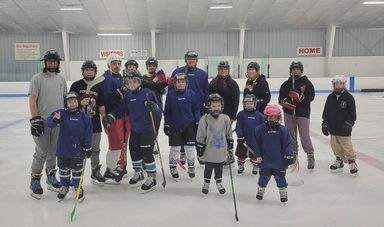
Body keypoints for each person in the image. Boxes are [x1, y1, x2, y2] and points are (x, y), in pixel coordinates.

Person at [102, 72, 162, 191]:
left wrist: (154, 108)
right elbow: (121, 110)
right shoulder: (128, 95)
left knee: (146, 152)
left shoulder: (148, 93)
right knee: (133, 150)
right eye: (129, 82)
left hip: (147, 129)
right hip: (135, 129)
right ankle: (138, 173)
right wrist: (111, 116)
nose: (132, 84)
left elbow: (159, 111)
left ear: (139, 82)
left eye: (134, 81)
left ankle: (151, 177)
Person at [28, 49, 67, 199]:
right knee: (41, 151)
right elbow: (32, 99)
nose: (52, 63)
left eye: (54, 61)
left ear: (57, 63)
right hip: (43, 122)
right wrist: (35, 118)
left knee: (54, 151)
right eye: (49, 61)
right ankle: (35, 180)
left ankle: (51, 177)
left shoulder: (61, 79)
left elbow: (65, 99)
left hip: (57, 122)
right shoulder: (37, 78)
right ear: (45, 63)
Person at [47, 92, 93, 200]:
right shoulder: (61, 113)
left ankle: (78, 188)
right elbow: (50, 123)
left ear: (78, 102)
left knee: (77, 172)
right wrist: (55, 120)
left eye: (74, 101)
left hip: (77, 150)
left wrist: (87, 145)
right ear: (66, 103)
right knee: (63, 170)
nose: (72, 104)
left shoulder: (84, 117)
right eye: (69, 102)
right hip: (63, 149)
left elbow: (88, 133)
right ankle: (64, 187)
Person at [70, 60, 106, 185]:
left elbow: (101, 104)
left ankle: (95, 171)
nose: (89, 72)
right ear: (83, 71)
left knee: (95, 149)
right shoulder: (76, 85)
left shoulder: (99, 86)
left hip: (94, 124)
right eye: (87, 70)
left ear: (95, 72)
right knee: (78, 150)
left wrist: (104, 117)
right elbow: (69, 104)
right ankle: (76, 173)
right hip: (78, 123)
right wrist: (80, 103)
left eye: (91, 70)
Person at [250, 104, 294, 203]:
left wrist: (289, 154)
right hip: (265, 160)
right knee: (264, 177)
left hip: (279, 161)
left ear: (279, 117)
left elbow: (287, 144)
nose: (273, 119)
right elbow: (256, 145)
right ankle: (261, 189)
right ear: (266, 117)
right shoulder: (260, 129)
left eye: (275, 117)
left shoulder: (283, 130)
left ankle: (283, 191)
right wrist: (257, 156)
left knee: (280, 177)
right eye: (271, 117)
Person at [172, 51, 209, 165]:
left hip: (197, 109)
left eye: (193, 58)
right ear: (185, 60)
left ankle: (199, 153)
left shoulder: (202, 74)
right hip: (182, 108)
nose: (191, 60)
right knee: (183, 130)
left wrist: (207, 105)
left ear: (197, 60)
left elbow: (206, 91)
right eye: (189, 58)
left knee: (198, 132)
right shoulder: (177, 72)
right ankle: (183, 152)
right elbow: (172, 90)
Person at [278, 61, 315, 170]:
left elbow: (311, 96)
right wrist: (288, 101)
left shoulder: (306, 83)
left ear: (301, 70)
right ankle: (292, 153)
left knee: (304, 135)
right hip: (289, 113)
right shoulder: (286, 84)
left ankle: (310, 154)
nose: (296, 71)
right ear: (291, 71)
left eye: (298, 69)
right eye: (294, 69)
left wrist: (300, 98)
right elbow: (280, 99)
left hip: (303, 113)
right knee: (290, 134)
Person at [100, 54, 131, 183]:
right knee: (115, 144)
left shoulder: (119, 76)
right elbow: (105, 99)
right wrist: (119, 92)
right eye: (114, 63)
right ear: (109, 65)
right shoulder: (106, 78)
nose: (117, 65)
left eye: (118, 63)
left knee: (122, 142)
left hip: (122, 115)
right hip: (112, 117)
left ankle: (120, 166)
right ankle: (111, 169)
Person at [164, 73, 200, 179]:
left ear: (186, 83)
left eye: (183, 82)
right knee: (175, 148)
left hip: (189, 125)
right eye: (178, 82)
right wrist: (166, 124)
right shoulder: (170, 95)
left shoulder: (191, 93)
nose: (180, 84)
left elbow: (196, 109)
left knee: (189, 148)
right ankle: (173, 166)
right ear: (175, 83)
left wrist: (197, 121)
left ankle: (191, 166)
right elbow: (167, 112)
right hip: (175, 126)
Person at [196, 93, 233, 195]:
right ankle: (206, 183)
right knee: (208, 167)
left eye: (218, 106)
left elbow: (229, 132)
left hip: (221, 150)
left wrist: (230, 142)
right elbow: (201, 134)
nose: (216, 108)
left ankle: (219, 182)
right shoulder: (205, 119)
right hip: (209, 150)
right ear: (209, 106)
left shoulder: (226, 118)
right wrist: (200, 145)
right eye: (213, 106)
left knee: (219, 166)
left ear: (221, 106)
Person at [321, 76, 358, 176]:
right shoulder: (330, 97)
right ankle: (339, 160)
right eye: (336, 84)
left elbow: (352, 113)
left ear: (343, 84)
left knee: (347, 146)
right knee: (335, 145)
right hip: (333, 128)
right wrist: (325, 123)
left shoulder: (349, 97)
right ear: (334, 85)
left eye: (340, 83)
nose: (338, 85)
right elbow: (326, 112)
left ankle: (352, 162)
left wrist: (349, 122)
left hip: (344, 128)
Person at [209, 61, 239, 167]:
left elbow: (236, 100)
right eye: (221, 69)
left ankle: (229, 156)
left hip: (227, 115)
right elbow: (209, 99)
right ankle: (218, 155)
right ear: (218, 70)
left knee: (227, 136)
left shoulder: (233, 84)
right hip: (215, 114)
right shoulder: (213, 83)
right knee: (216, 135)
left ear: (228, 70)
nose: (223, 71)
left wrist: (233, 116)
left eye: (225, 69)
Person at [142, 57, 168, 155]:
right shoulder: (143, 78)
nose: (151, 67)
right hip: (146, 105)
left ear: (156, 66)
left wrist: (163, 82)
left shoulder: (159, 77)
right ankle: (147, 143)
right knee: (147, 126)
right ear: (147, 66)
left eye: (153, 66)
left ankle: (153, 143)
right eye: (149, 66)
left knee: (155, 126)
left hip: (158, 105)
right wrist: (156, 79)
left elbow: (163, 91)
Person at [234, 94, 264, 175]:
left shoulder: (260, 116)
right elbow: (238, 125)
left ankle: (255, 166)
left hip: (255, 141)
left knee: (255, 155)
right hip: (243, 139)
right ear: (244, 104)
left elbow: (262, 128)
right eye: (247, 104)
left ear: (255, 104)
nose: (249, 105)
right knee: (241, 154)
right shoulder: (241, 114)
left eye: (251, 103)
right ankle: (241, 166)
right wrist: (240, 135)